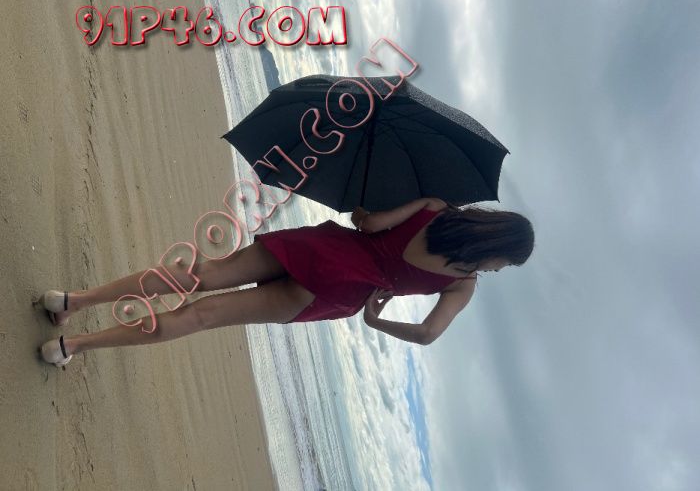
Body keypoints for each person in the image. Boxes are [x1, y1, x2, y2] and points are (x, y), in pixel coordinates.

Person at [37, 197, 534, 367]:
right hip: (339, 291)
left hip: (324, 249)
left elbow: (368, 224)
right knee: (202, 316)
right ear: (497, 250)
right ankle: (70, 346)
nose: (497, 270)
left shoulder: (435, 207)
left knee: (200, 275)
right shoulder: (462, 285)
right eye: (504, 264)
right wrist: (375, 321)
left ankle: (73, 300)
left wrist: (364, 212)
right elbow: (426, 334)